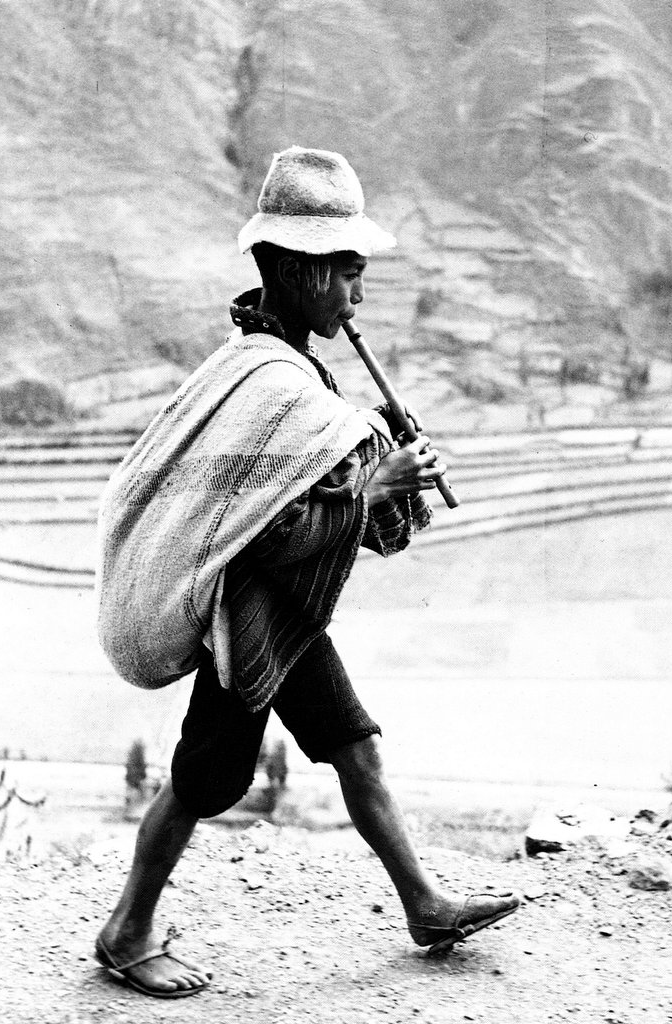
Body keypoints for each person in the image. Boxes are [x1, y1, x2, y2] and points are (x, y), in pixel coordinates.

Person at [94, 147, 520, 998]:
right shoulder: (270, 384)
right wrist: (375, 486)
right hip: (245, 625)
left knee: (355, 750)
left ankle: (424, 904)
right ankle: (126, 930)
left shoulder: (290, 373)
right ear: (296, 270)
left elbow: (318, 508)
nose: (358, 298)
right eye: (348, 276)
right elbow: (267, 536)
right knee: (202, 781)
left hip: (286, 619)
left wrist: (378, 464)